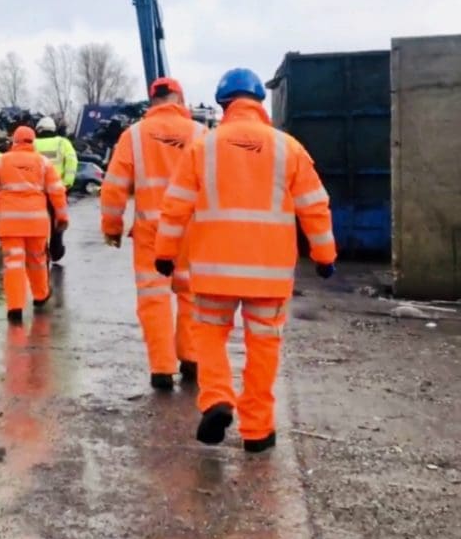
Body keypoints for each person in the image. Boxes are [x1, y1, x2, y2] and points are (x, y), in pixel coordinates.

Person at [154, 68, 337, 453]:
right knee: (263, 347)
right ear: (260, 102)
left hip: (213, 271)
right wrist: (324, 255)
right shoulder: (288, 148)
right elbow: (314, 207)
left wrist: (165, 254)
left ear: (223, 105)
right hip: (268, 276)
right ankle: (257, 431)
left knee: (210, 337)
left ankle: (217, 398)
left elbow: (175, 208)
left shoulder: (203, 147)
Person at [100, 77, 208, 392]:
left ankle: (161, 369)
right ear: (180, 97)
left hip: (151, 230)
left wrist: (112, 227)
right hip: (192, 229)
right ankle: (191, 358)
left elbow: (114, 186)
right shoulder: (201, 134)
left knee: (153, 298)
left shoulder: (133, 136)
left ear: (152, 100)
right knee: (191, 294)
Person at [0, 126, 69, 324]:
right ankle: (40, 296)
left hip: (9, 223)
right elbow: (57, 191)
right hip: (36, 223)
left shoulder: (1, 162)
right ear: (33, 141)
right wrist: (62, 217)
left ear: (15, 141)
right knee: (37, 261)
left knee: (14, 264)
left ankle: (15, 307)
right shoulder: (43, 163)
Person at [34, 117, 77, 262]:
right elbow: (71, 161)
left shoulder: (33, 144)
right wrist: (67, 183)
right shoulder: (62, 143)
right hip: (58, 189)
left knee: (38, 221)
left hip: (36, 190)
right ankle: (56, 249)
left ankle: (40, 249)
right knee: (58, 220)